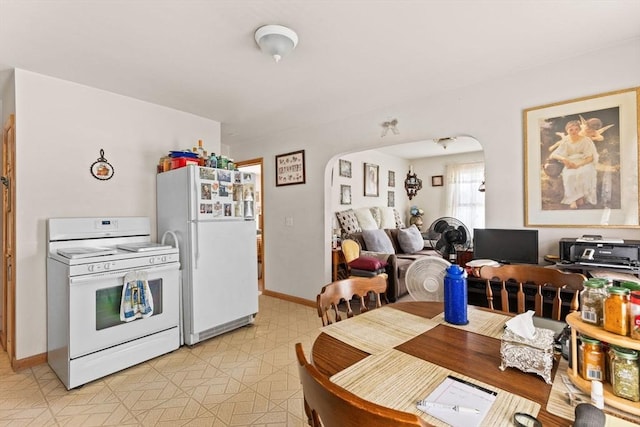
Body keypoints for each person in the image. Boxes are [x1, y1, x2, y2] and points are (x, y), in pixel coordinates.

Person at [549, 120, 599, 209]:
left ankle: (580, 196)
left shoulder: (585, 140)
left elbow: (590, 158)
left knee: (584, 172)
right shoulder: (566, 141)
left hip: (584, 161)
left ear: (579, 130)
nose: (574, 132)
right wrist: (564, 159)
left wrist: (578, 165)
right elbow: (554, 154)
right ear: (567, 131)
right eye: (571, 130)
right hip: (570, 161)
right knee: (569, 175)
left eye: (576, 129)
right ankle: (573, 199)